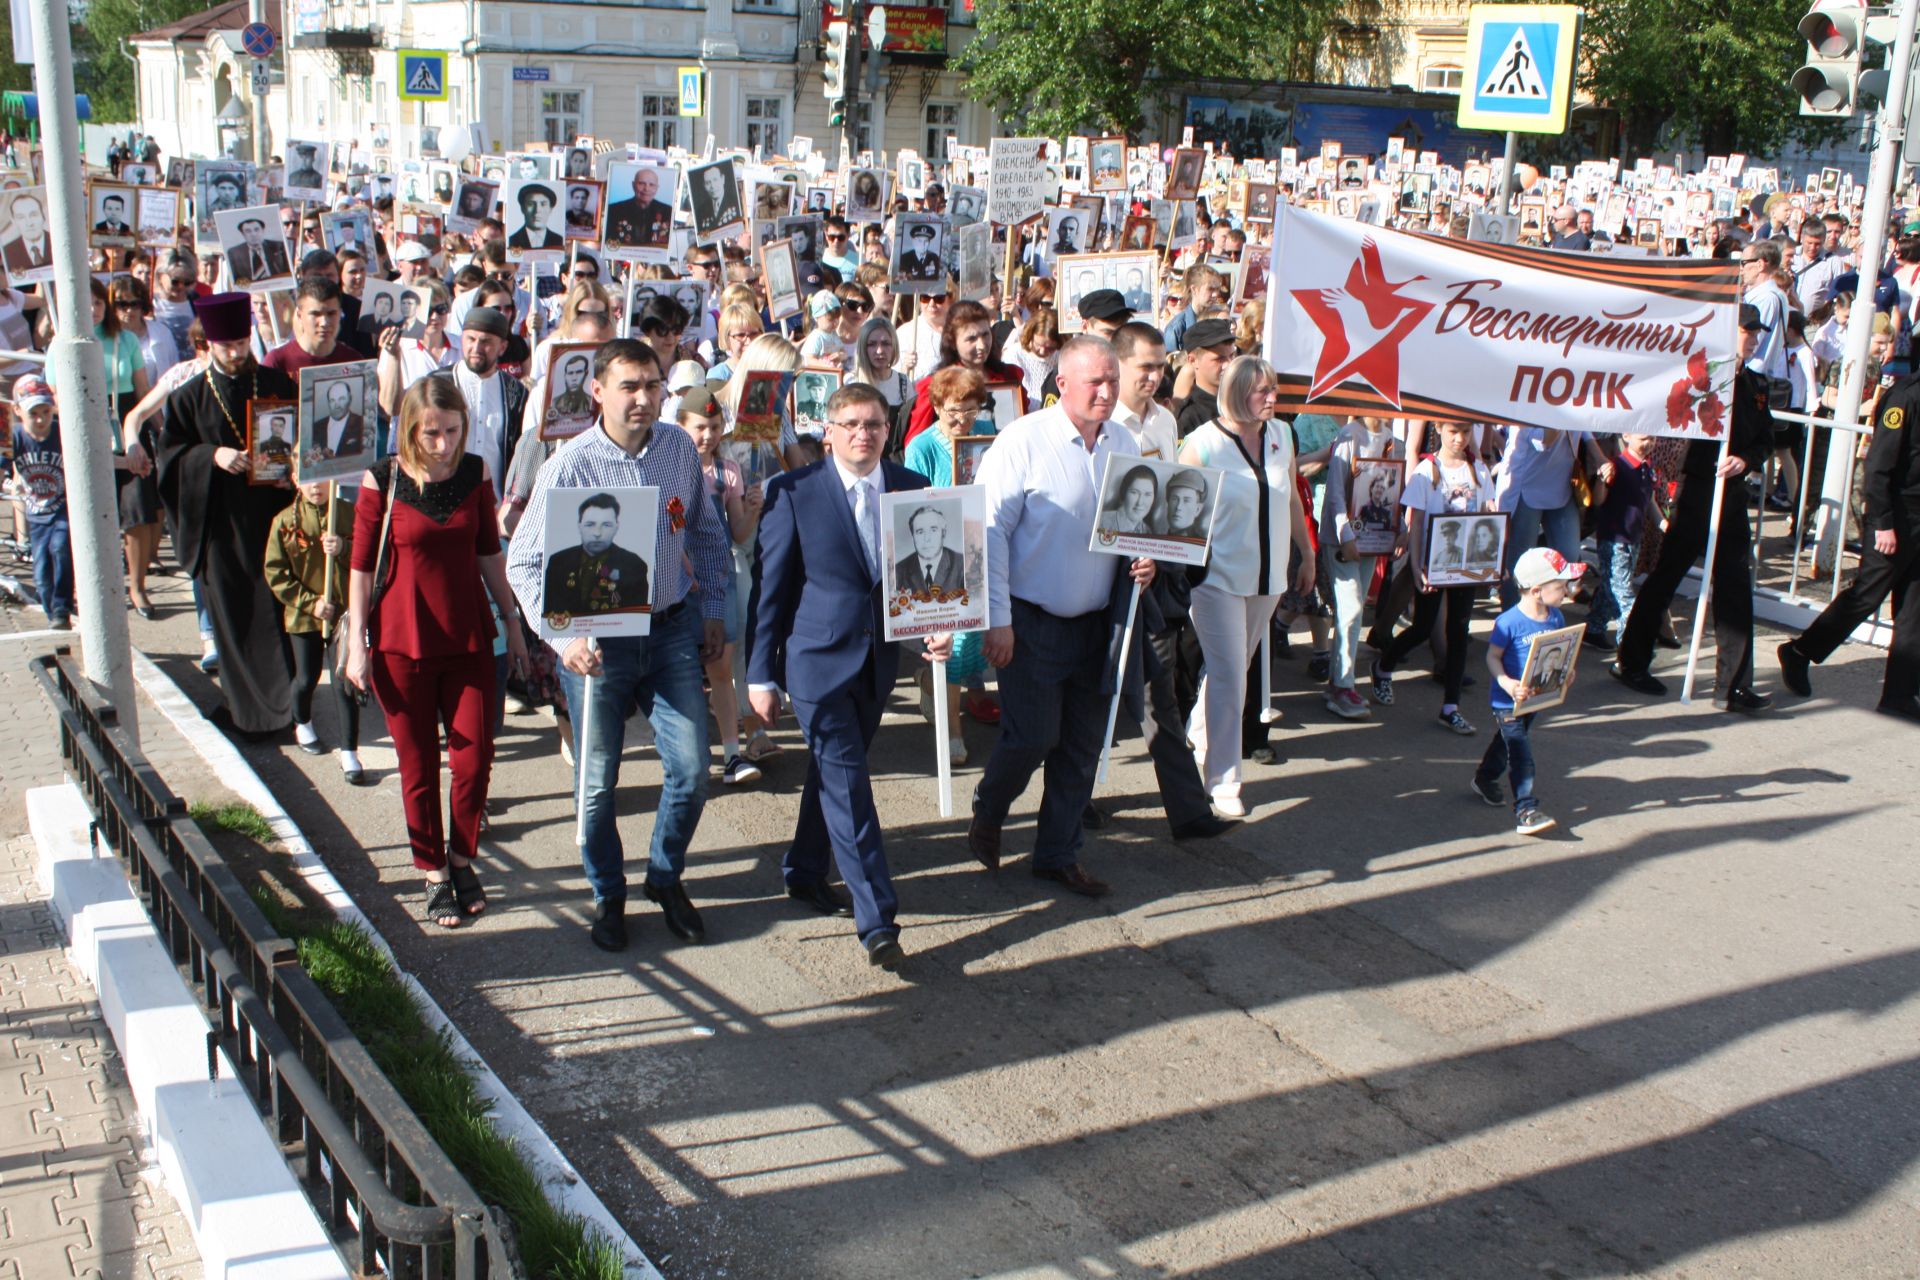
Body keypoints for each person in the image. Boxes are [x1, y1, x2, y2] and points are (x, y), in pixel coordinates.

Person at [506, 339, 732, 954]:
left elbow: (708, 537)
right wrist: (562, 637)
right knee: (598, 783)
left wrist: (712, 609)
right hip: (597, 642)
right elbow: (524, 561)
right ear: (598, 391)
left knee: (691, 770)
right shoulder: (569, 465)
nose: (642, 398)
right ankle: (608, 893)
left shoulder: (680, 450)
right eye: (628, 386)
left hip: (670, 631)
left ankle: (665, 875)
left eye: (652, 385)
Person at [746, 383, 949, 968]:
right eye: (852, 424)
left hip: (878, 660)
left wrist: (939, 626)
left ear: (889, 431)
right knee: (849, 780)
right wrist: (762, 674)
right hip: (814, 660)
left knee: (837, 773)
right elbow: (771, 593)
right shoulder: (793, 492)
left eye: (875, 424)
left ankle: (805, 869)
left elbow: (932, 580)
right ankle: (877, 917)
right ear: (827, 432)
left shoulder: (912, 488)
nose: (864, 434)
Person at [971, 336, 1156, 898]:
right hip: (1031, 620)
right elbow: (990, 532)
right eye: (1094, 382)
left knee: (1080, 745)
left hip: (1100, 620)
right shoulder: (1021, 442)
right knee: (1032, 736)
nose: (1105, 392)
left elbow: (1137, 519)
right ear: (1061, 385)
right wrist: (995, 618)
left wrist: (1146, 556)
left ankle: (1056, 853)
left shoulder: (1122, 440)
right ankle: (991, 805)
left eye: (1111, 380)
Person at [344, 376, 528, 927]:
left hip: (469, 634)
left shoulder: (477, 473)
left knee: (475, 759)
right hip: (401, 641)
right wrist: (357, 641)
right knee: (418, 765)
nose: (444, 444)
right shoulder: (383, 478)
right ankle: (434, 872)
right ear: (409, 430)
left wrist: (513, 621)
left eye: (452, 431)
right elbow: (358, 566)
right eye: (431, 433)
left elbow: (488, 550)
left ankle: (464, 857)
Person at [1612, 305, 1774, 710]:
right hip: (1699, 489)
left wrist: (1747, 461)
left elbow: (1765, 438)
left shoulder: (1755, 384)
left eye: (1756, 333)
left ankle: (1733, 684)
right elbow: (1678, 414)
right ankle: (1632, 661)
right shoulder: (1704, 377)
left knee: (1735, 586)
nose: (1752, 339)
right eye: (1746, 331)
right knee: (1667, 576)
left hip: (1732, 493)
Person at [157, 293, 299, 735]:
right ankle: (245, 713)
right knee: (236, 617)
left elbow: (303, 445)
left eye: (242, 343)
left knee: (278, 613)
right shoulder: (187, 399)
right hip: (222, 527)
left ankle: (289, 708)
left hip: (274, 518)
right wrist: (210, 456)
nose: (237, 353)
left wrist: (292, 469)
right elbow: (170, 459)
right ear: (208, 345)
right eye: (227, 346)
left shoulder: (277, 384)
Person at [1178, 356, 1313, 817]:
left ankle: (1198, 732)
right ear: (1237, 393)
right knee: (1233, 678)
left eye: (1274, 389)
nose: (1273, 398)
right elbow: (1182, 517)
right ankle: (1222, 782)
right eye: (1263, 391)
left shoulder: (1282, 435)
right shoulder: (1202, 444)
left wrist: (1307, 552)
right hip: (1216, 579)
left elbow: (1291, 496)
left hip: (1268, 577)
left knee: (1232, 670)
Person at [1778, 363, 1920, 722]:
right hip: (1897, 516)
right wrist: (1884, 523)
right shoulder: (1905, 397)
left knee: (1914, 610)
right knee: (1867, 595)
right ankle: (1799, 651)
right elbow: (1879, 466)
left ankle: (1899, 694)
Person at [1370, 419, 1494, 734]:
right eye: (1454, 432)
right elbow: (1417, 521)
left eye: (1466, 432)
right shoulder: (1427, 472)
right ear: (1438, 429)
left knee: (1458, 631)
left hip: (1466, 566)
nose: (1460, 438)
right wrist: (1415, 566)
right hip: (1434, 563)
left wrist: (1494, 560)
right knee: (1423, 627)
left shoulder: (1478, 471)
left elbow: (1490, 514)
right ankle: (1384, 666)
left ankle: (1450, 706)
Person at [680, 386, 765, 784]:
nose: (708, 436)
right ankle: (691, 755)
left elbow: (737, 531)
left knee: (722, 666)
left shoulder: (727, 470)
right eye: (700, 427)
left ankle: (733, 754)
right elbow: (667, 527)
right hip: (679, 580)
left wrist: (751, 510)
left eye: (714, 427)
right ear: (681, 426)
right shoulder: (672, 468)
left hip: (719, 576)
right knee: (681, 672)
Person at [1474, 546, 1584, 837]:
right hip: (1507, 701)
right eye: (1560, 586)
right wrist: (1507, 683)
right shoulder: (1508, 622)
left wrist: (1565, 673)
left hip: (1536, 698)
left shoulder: (1556, 617)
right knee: (1521, 752)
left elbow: (1558, 654)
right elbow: (1492, 657)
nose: (1566, 591)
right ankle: (1526, 809)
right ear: (1536, 591)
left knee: (1506, 743)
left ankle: (1484, 778)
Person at [264, 479, 365, 781]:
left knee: (344, 682)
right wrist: (311, 604)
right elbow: (276, 572)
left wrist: (345, 547)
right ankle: (302, 722)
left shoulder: (349, 513)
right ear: (296, 478)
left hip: (342, 614)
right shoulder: (283, 521)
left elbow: (369, 554)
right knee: (306, 678)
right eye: (307, 479)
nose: (315, 487)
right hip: (304, 615)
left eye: (321, 479)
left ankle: (350, 752)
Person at [1321, 415, 1402, 719]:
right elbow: (1336, 493)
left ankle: (1338, 682)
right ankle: (1342, 685)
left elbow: (1392, 491)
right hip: (1344, 539)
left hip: (1373, 538)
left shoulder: (1393, 440)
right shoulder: (1348, 436)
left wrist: (1400, 525)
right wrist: (1344, 533)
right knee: (1351, 608)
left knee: (1353, 612)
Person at [8, 375, 71, 629]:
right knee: (42, 571)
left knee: (60, 547)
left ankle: (61, 607)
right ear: (18, 411)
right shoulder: (16, 437)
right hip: (36, 512)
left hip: (62, 507)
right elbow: (4, 458)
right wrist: (10, 478)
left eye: (46, 411)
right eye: (34, 413)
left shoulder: (61, 432)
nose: (41, 419)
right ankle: (50, 610)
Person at [1584, 433, 1654, 652]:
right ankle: (1630, 649)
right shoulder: (1616, 465)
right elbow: (1598, 500)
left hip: (1633, 539)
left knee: (1610, 587)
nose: (1648, 443)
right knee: (1624, 597)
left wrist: (1662, 524)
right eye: (1643, 438)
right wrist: (1603, 480)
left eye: (1652, 438)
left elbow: (1648, 500)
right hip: (1614, 540)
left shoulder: (1646, 467)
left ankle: (1593, 629)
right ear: (1627, 436)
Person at [541, 492, 652, 620]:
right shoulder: (558, 562)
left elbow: (634, 619)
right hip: (569, 638)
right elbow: (551, 611)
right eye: (590, 524)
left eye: (606, 525)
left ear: (616, 527)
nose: (597, 533)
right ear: (579, 526)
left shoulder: (634, 565)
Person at [1175, 318, 1237, 436]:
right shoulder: (1189, 417)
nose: (1229, 364)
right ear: (1193, 361)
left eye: (1232, 355)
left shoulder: (1242, 401)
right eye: (1219, 359)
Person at [605, 166, 673, 249]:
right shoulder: (613, 210)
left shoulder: (668, 211)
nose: (646, 189)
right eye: (641, 183)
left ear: (657, 188)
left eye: (651, 185)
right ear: (633, 185)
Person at [227, 215, 291, 286]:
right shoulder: (234, 252)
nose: (253, 234)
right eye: (248, 231)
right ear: (243, 234)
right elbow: (237, 280)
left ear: (263, 230)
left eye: (257, 229)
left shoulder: (279, 246)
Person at [1099, 464, 1160, 535]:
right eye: (1134, 492)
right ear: (1124, 493)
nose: (1140, 502)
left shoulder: (1147, 531)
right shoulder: (1102, 521)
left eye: (1147, 494)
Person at [3, 192, 50, 271]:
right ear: (14, 221)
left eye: (33, 215)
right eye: (21, 217)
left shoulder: (59, 242)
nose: (29, 223)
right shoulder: (7, 252)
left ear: (43, 216)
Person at [509, 183, 562, 251]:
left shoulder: (558, 240)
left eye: (543, 204)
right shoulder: (512, 240)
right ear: (522, 208)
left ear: (550, 209)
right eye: (531, 204)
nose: (537, 210)